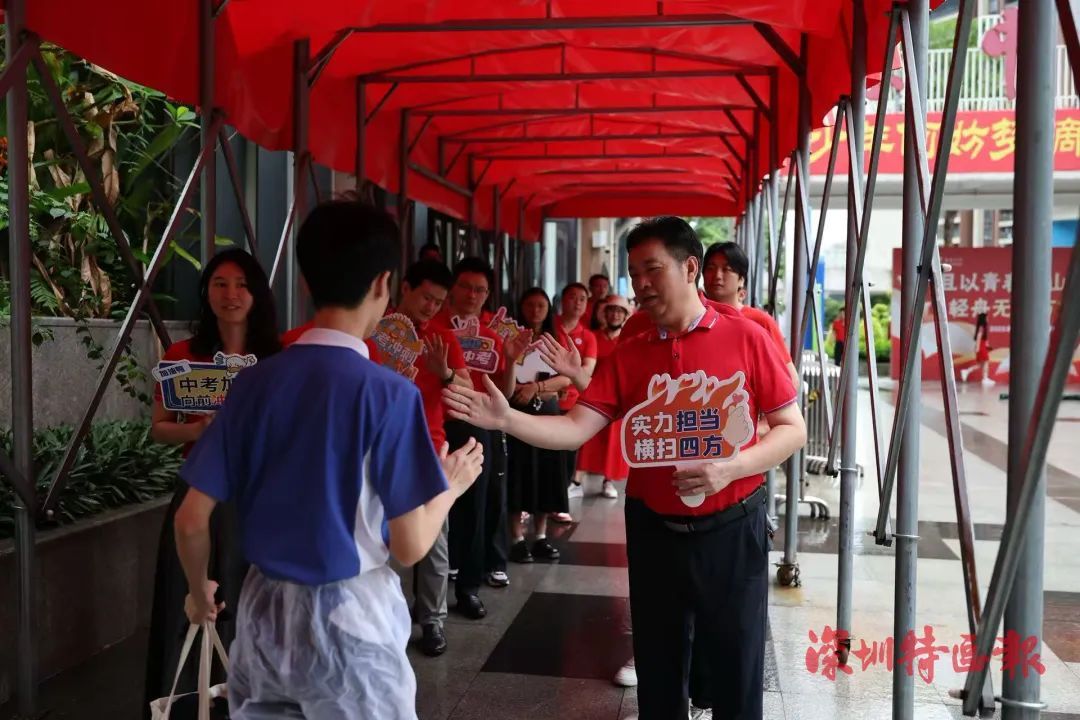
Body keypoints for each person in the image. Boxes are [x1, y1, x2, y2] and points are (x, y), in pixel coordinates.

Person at [443, 216, 806, 720]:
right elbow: (574, 428)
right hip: (654, 526)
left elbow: (792, 428)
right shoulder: (631, 354)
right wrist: (505, 419)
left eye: (652, 269)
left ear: (690, 267)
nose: (641, 284)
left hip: (733, 524)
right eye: (634, 273)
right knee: (658, 661)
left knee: (737, 662)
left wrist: (732, 468)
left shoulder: (747, 337)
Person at [173, 200, 484, 719]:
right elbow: (408, 547)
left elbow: (189, 520)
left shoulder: (254, 384)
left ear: (305, 278)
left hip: (262, 617)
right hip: (352, 623)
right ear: (384, 284)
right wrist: (451, 484)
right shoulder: (389, 395)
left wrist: (199, 592)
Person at [143, 248, 281, 716]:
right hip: (198, 499)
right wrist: (198, 430)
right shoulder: (183, 357)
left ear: (257, 293)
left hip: (262, 501)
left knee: (256, 608)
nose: (231, 294)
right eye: (219, 283)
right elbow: (159, 427)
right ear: (206, 292)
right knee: (194, 603)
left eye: (241, 283)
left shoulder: (278, 358)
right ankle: (187, 703)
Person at [430, 257, 531, 615]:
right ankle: (428, 597)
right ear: (451, 289)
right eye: (466, 287)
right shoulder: (429, 327)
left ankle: (469, 585)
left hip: (476, 427)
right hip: (432, 424)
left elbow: (503, 393)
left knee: (477, 504)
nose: (472, 295)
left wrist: (512, 359)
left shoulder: (491, 336)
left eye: (480, 290)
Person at [395, 259, 474, 656]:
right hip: (381, 447)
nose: (430, 307)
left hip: (431, 446)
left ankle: (432, 621)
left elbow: (468, 389)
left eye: (438, 301)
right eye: (426, 297)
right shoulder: (379, 333)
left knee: (435, 540)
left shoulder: (442, 338)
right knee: (388, 538)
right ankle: (393, 618)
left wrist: (443, 373)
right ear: (404, 287)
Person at [505, 288, 574, 563]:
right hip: (516, 414)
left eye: (541, 305)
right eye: (530, 305)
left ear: (548, 310)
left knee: (547, 472)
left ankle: (542, 535)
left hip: (548, 414)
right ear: (521, 308)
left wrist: (538, 387)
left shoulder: (555, 341)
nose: (535, 310)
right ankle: (517, 538)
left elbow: (567, 377)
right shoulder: (510, 338)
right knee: (519, 473)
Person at [549, 295, 633, 500]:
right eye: (611, 311)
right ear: (605, 314)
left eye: (619, 312)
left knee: (613, 442)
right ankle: (577, 481)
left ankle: (608, 481)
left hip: (618, 395)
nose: (615, 315)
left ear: (625, 316)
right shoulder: (594, 337)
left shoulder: (629, 340)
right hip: (592, 392)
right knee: (588, 439)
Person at [702, 242, 800, 388]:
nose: (717, 275)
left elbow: (790, 379)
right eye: (710, 268)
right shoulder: (691, 318)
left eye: (726, 269)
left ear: (741, 279)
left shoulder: (760, 321)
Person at [552, 283, 598, 517]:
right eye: (572, 297)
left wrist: (554, 382)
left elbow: (585, 371)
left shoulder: (588, 336)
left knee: (567, 457)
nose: (578, 302)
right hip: (545, 403)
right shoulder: (550, 327)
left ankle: (559, 505)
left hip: (573, 405)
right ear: (563, 299)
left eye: (582, 298)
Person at [961, 311, 994, 385]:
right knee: (985, 363)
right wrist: (978, 348)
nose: (987, 319)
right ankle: (985, 378)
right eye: (986, 317)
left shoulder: (983, 328)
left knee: (981, 365)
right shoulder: (982, 327)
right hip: (981, 348)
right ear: (984, 319)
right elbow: (979, 337)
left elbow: (983, 340)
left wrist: (987, 346)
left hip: (982, 347)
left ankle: (966, 371)